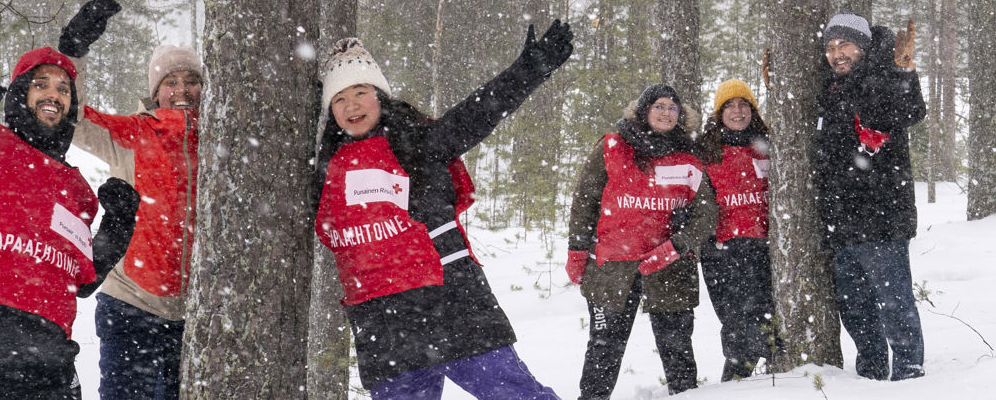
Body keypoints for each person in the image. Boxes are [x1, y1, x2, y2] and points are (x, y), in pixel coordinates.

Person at [313, 23, 572, 399]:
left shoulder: (418, 140)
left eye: (361, 92)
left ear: (380, 96)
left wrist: (530, 68)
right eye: (339, 99)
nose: (351, 105)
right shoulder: (326, 166)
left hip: (453, 303)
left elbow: (475, 115)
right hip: (382, 324)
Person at [0, 0, 140, 398]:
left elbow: (84, 275)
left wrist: (121, 220)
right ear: (19, 92)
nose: (54, 95)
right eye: (40, 85)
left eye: (63, 88)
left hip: (56, 349)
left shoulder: (78, 189)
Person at [67, 45, 205, 400]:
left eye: (191, 80)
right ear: (155, 91)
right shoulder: (132, 132)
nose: (182, 90)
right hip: (129, 305)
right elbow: (75, 117)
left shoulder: (220, 140)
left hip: (196, 314)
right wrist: (74, 53)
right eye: (170, 81)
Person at [567, 83, 718, 399]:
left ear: (681, 115)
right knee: (604, 346)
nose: (666, 113)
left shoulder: (689, 158)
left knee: (676, 346)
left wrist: (677, 246)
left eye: (672, 108)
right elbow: (585, 200)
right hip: (611, 266)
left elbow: (706, 216)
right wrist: (577, 249)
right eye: (659, 106)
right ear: (644, 111)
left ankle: (685, 395)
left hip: (670, 268)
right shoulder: (612, 146)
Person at [815, 13, 926, 381]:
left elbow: (912, 110)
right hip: (840, 219)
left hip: (882, 216)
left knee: (894, 303)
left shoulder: (881, 75)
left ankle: (909, 370)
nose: (837, 54)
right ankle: (871, 371)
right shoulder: (830, 87)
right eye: (831, 47)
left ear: (861, 46)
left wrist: (905, 71)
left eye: (844, 45)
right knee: (854, 307)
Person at [695, 78, 777, 381]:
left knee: (767, 317)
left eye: (744, 104)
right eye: (730, 106)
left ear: (753, 110)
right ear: (719, 113)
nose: (738, 111)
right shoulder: (706, 150)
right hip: (723, 250)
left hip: (763, 247)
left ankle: (776, 380)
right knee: (735, 321)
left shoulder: (768, 145)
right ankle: (736, 382)